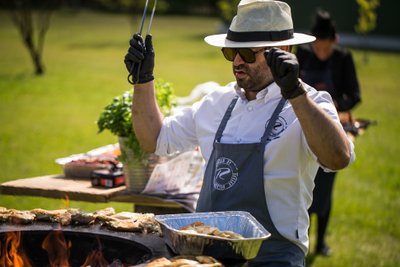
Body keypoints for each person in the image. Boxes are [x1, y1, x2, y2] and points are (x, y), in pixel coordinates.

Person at [124, 1, 355, 266]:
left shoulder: (312, 103)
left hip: (274, 257)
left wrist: (295, 93)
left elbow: (339, 158)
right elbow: (153, 139)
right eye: (231, 51)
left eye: (246, 53)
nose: (236, 61)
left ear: (282, 51)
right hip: (204, 254)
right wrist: (143, 80)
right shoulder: (216, 103)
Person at [296, 10, 361, 257]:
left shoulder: (344, 59)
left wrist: (335, 106)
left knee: (324, 189)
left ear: (335, 41)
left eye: (326, 48)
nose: (321, 53)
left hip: (333, 128)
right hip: (303, 128)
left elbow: (355, 95)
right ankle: (302, 237)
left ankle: (320, 241)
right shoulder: (302, 55)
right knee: (305, 187)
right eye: (318, 49)